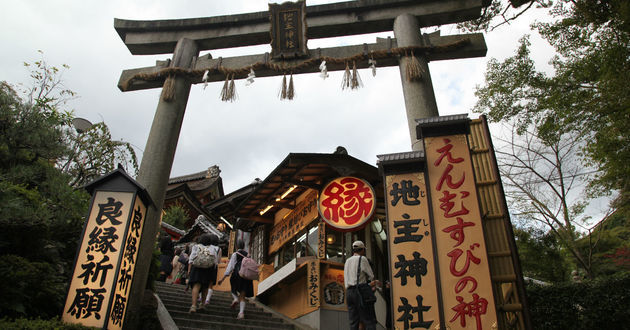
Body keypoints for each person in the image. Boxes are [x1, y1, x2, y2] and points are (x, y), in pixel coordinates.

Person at [344, 240, 379, 330]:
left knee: (353, 321)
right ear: (362, 250)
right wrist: (371, 283)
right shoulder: (362, 259)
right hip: (360, 291)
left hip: (349, 292)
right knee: (368, 319)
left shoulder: (347, 261)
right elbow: (371, 275)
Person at [218, 240, 254, 319]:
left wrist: (223, 278)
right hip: (246, 276)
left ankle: (235, 298)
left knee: (233, 289)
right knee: (243, 295)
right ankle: (241, 313)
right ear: (244, 246)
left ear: (236, 246)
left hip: (237, 275)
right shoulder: (248, 255)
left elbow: (230, 267)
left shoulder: (235, 254)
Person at [187, 233, 220, 313]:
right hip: (208, 269)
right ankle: (202, 304)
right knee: (205, 287)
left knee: (196, 286)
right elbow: (216, 261)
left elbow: (191, 259)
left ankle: (193, 305)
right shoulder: (213, 249)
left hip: (197, 268)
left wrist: (189, 270)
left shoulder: (196, 247)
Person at [204, 234, 222, 305]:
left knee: (204, 282)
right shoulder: (219, 249)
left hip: (205, 266)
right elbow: (219, 260)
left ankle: (201, 297)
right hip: (214, 267)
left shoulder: (206, 247)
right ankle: (207, 299)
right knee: (210, 284)